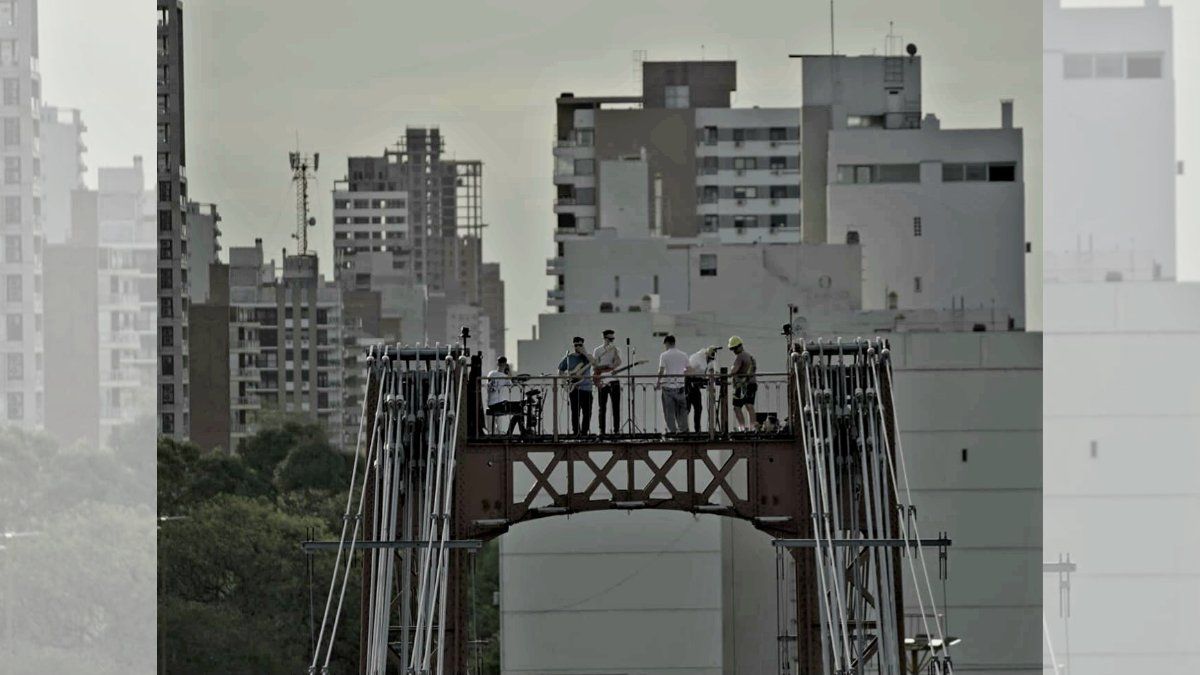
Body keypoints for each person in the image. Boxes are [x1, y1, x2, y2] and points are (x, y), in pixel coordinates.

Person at [557, 336, 594, 436]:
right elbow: (560, 370)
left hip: (586, 388)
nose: (577, 347)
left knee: (587, 412)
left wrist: (584, 352)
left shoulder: (587, 357)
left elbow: (594, 363)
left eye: (580, 345)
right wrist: (564, 382)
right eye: (576, 345)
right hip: (574, 388)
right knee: (575, 412)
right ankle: (576, 432)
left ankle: (585, 432)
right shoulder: (569, 358)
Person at [655, 335, 690, 433]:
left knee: (669, 411)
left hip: (668, 387)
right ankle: (683, 430)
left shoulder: (664, 355)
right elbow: (689, 370)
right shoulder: (683, 355)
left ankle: (673, 432)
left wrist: (658, 382)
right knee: (682, 410)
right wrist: (681, 375)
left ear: (667, 343)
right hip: (680, 386)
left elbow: (661, 370)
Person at [592, 329, 623, 434]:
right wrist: (605, 368)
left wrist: (614, 361)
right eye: (610, 339)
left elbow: (618, 362)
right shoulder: (598, 350)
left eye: (613, 339)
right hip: (602, 381)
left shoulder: (615, 349)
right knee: (602, 407)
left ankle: (616, 431)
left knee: (616, 407)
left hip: (614, 381)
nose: (611, 341)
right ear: (604, 338)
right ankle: (602, 431)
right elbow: (595, 366)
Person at [486, 356, 526, 435]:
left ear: (497, 363)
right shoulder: (504, 377)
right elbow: (512, 382)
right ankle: (519, 432)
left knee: (517, 408)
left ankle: (515, 432)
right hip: (499, 404)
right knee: (519, 408)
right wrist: (508, 371)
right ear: (505, 364)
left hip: (490, 404)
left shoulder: (491, 373)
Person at [727, 336, 758, 431]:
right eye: (732, 349)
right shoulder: (749, 356)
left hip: (742, 386)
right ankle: (753, 428)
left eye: (735, 348)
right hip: (752, 383)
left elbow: (733, 370)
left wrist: (731, 370)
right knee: (749, 405)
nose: (734, 351)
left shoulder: (740, 356)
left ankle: (742, 428)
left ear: (740, 346)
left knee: (737, 407)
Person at [686, 345, 719, 432]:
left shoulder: (708, 360)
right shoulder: (697, 358)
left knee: (698, 408)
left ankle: (697, 429)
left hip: (695, 385)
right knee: (687, 408)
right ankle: (684, 429)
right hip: (688, 384)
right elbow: (688, 371)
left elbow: (711, 370)